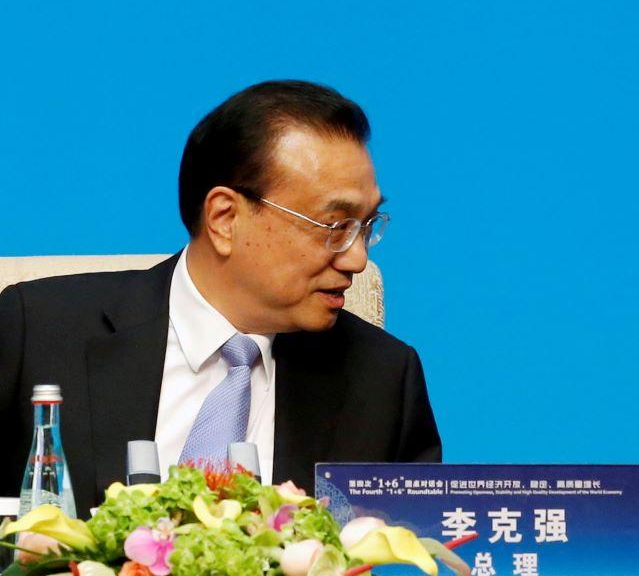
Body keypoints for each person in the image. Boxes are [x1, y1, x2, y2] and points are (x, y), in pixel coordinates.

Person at [0, 81, 441, 513]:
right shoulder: (35, 331)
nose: (357, 259)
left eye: (365, 226)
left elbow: (410, 571)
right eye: (335, 227)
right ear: (225, 218)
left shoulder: (382, 380)